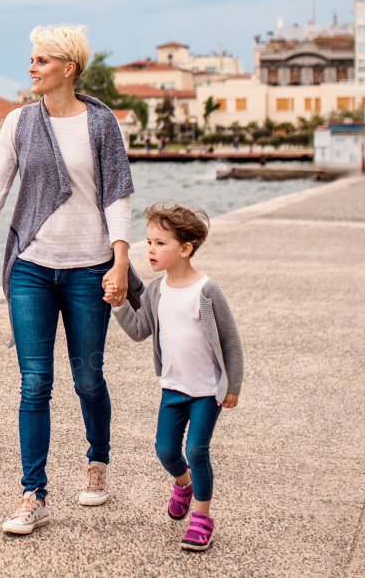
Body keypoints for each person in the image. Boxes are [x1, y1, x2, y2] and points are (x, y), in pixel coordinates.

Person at [0, 23, 141, 535]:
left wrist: (120, 261)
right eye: (31, 60)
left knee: (88, 377)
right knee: (34, 383)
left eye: (41, 61)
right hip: (31, 265)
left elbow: (118, 194)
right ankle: (34, 493)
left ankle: (98, 461)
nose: (31, 68)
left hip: (89, 265)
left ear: (68, 68)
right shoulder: (18, 122)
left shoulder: (101, 124)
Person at [108, 203, 243, 552]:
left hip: (206, 392)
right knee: (166, 450)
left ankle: (202, 517)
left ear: (185, 249)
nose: (150, 250)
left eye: (159, 243)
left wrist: (233, 386)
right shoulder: (155, 291)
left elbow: (230, 341)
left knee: (196, 450)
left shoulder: (207, 291)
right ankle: (182, 484)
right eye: (149, 242)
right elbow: (140, 331)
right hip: (172, 388)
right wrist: (119, 305)